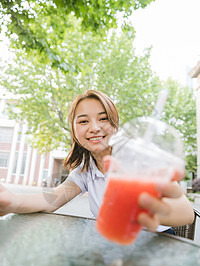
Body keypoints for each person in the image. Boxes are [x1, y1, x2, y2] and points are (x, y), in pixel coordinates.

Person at [0, 90, 194, 233]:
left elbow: (186, 213)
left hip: (157, 245)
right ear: (74, 130)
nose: (94, 128)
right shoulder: (85, 170)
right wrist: (13, 201)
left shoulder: (138, 158)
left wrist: (150, 213)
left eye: (103, 119)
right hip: (113, 245)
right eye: (83, 121)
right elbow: (53, 199)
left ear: (115, 124)